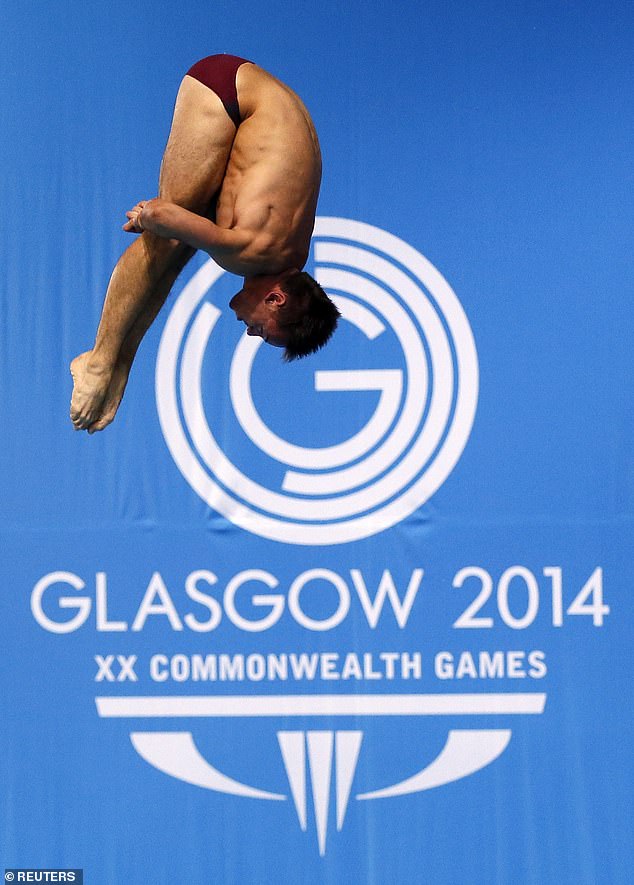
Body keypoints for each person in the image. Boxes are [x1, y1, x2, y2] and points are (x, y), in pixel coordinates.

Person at [70, 54, 340, 433]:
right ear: (276, 299)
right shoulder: (251, 254)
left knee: (179, 246)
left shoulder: (291, 256)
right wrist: (148, 217)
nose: (249, 331)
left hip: (263, 101)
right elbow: (162, 214)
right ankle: (99, 362)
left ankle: (119, 363)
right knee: (163, 245)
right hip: (226, 91)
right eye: (261, 331)